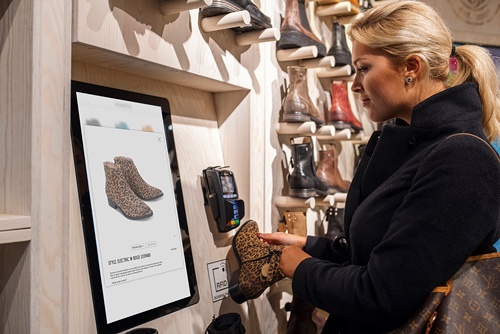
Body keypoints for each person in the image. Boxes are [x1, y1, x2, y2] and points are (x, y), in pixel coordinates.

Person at [259, 1, 500, 332]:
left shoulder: (462, 159)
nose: (355, 84)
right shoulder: (420, 145)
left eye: (363, 68)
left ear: (411, 68)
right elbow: (382, 251)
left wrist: (302, 270)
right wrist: (312, 248)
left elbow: (382, 295)